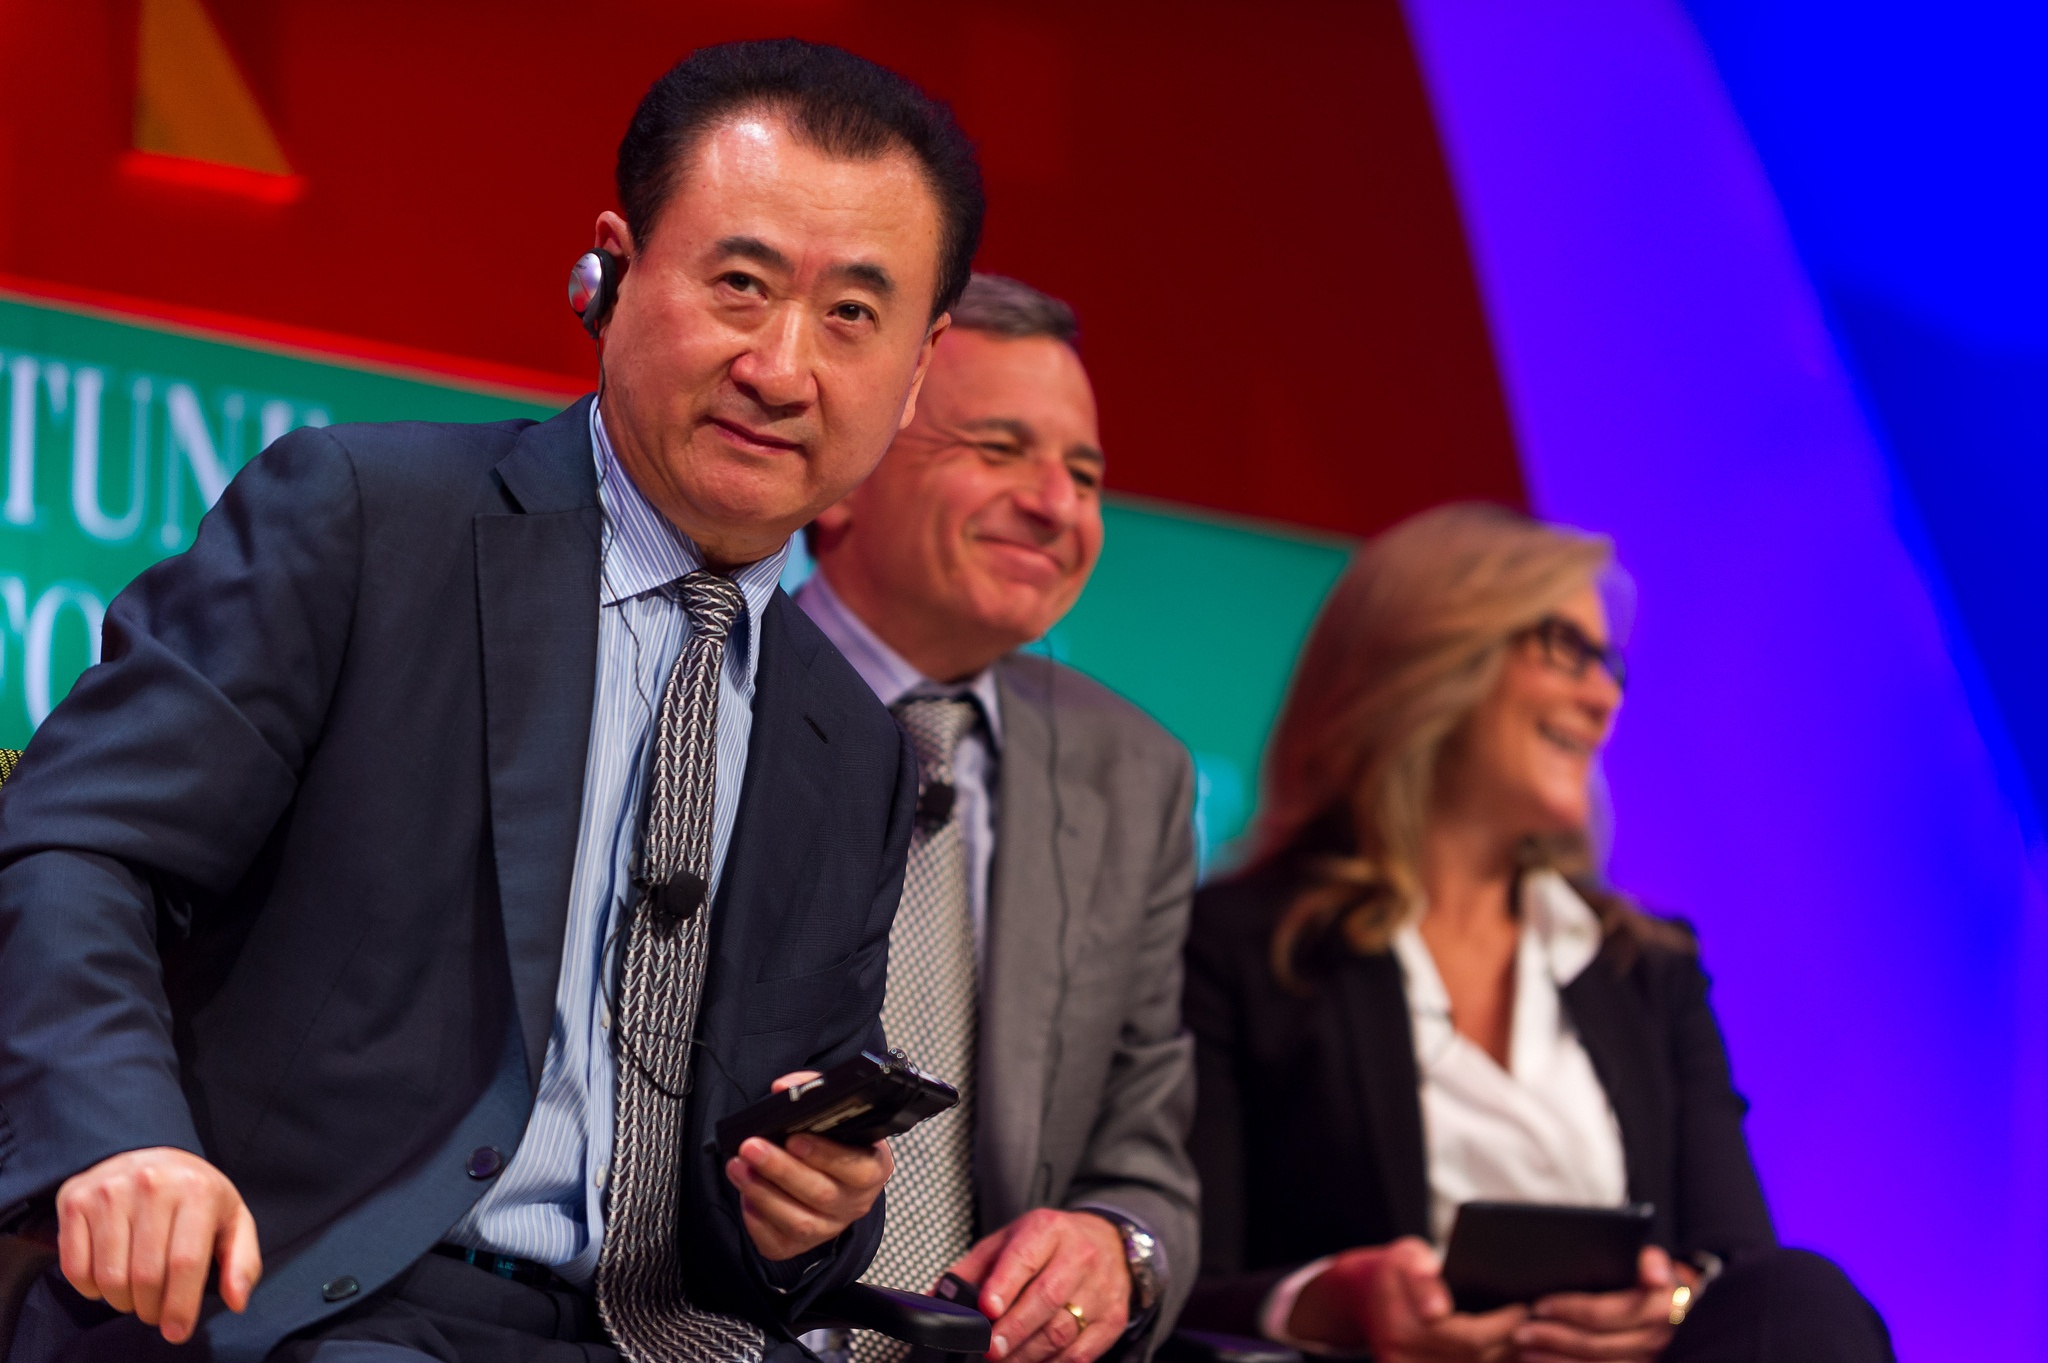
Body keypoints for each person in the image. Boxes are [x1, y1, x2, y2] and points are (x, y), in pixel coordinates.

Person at [0, 39, 986, 1363]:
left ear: (919, 372)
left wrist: (809, 1214)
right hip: (309, 1302)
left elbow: (771, 1171)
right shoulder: (365, 522)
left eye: (852, 318)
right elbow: (76, 843)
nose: (782, 365)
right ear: (614, 270)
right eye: (741, 285)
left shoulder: (855, 749)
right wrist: (122, 1135)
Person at [1180, 504, 1893, 1363]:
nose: (1603, 696)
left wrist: (1670, 1300)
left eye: (1610, 664)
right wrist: (1330, 1299)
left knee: (1799, 1291)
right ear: (1431, 650)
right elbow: (1183, 1273)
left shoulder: (1645, 965)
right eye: (1566, 647)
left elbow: (1737, 1258)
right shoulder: (1242, 946)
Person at [796, 273, 1197, 1363]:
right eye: (998, 449)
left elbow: (1144, 1152)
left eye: (1082, 472)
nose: (1055, 505)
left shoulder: (1133, 774)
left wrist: (1118, 1248)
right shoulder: (710, 689)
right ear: (842, 479)